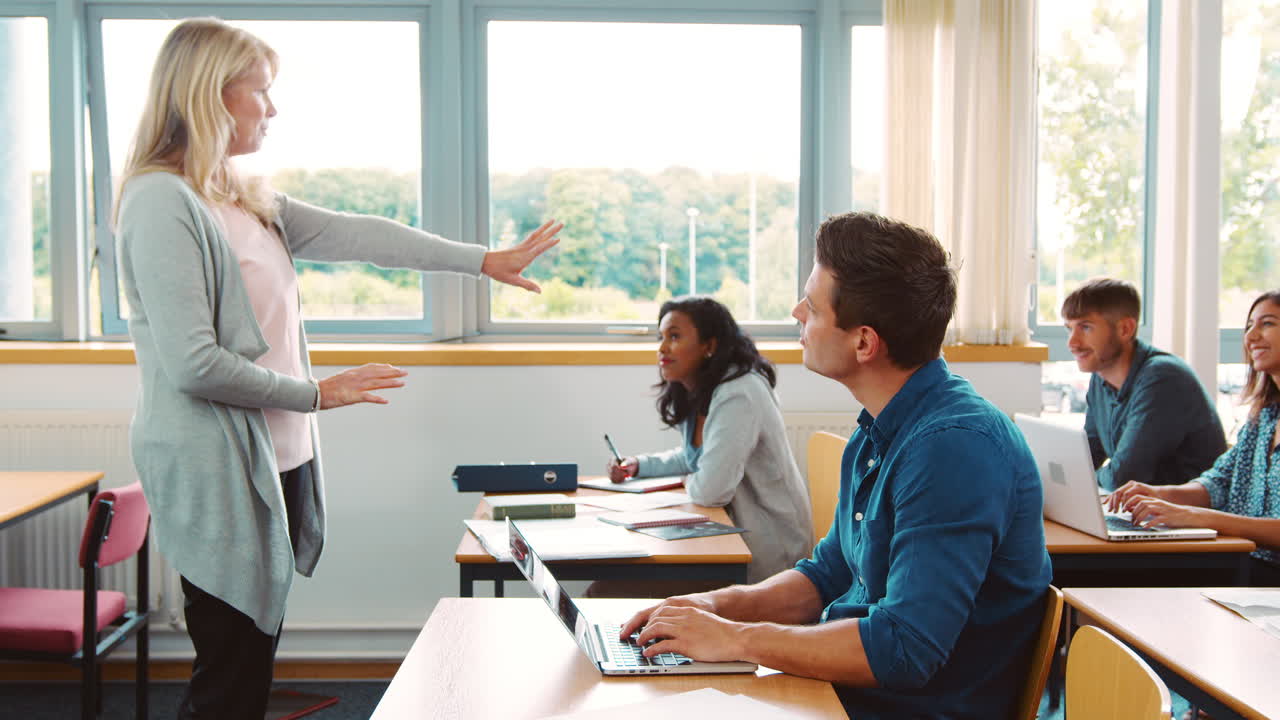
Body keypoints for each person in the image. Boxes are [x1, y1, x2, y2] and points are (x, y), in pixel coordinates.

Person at [113, 18, 560, 719]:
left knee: (249, 661)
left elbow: (359, 234)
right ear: (211, 94)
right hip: (214, 466)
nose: (273, 107)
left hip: (275, 457)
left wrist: (481, 261)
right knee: (230, 672)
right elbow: (194, 365)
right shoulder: (161, 200)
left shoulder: (234, 190)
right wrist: (317, 393)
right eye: (260, 91)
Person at [619, 212, 1051, 720]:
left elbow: (905, 650)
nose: (797, 311)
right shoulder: (878, 431)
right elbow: (825, 576)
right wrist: (714, 607)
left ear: (864, 342)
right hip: (849, 695)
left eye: (813, 305)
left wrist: (737, 639)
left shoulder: (953, 448)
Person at [605, 296, 813, 583]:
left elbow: (710, 491)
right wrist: (638, 466)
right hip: (727, 534)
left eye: (675, 337)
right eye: (661, 337)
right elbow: (695, 458)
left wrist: (690, 479)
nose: (662, 347)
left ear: (710, 346)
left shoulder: (738, 393)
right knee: (611, 583)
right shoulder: (703, 389)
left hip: (766, 553)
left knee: (612, 585)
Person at [1109, 289, 1280, 588]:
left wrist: (1198, 517)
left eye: (1267, 324)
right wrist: (1160, 495)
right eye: (1249, 326)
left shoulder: (1160, 376)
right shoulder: (1263, 418)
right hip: (1243, 565)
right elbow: (1219, 482)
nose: (1251, 337)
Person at [1063, 278, 1226, 490]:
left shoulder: (1163, 377)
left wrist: (1079, 480)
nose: (1072, 343)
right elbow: (1087, 457)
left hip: (1188, 517)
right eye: (1069, 329)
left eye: (1085, 327)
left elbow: (1123, 477)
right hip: (1142, 513)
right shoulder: (1100, 376)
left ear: (1125, 329)